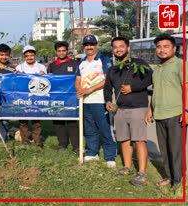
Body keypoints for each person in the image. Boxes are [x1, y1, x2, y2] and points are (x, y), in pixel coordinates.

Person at [104, 37, 152, 185]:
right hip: (120, 109)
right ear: (113, 50)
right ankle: (127, 167)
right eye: (115, 47)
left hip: (138, 107)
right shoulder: (113, 69)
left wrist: (133, 87)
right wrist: (108, 101)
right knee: (124, 140)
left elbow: (149, 79)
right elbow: (107, 87)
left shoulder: (139, 64)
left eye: (121, 46)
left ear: (128, 48)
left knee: (139, 140)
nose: (118, 49)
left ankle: (142, 173)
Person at [145, 34, 187, 188]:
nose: (162, 50)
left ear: (174, 49)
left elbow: (186, 88)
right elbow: (156, 91)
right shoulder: (157, 69)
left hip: (176, 114)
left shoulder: (180, 65)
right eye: (159, 47)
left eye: (166, 46)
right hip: (160, 114)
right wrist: (150, 110)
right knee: (164, 149)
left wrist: (186, 110)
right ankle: (169, 177)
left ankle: (179, 181)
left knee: (176, 150)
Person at [74, 34, 116, 167]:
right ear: (84, 47)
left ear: (97, 46)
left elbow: (106, 80)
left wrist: (89, 90)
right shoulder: (81, 62)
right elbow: (77, 80)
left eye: (92, 44)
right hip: (85, 102)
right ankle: (92, 153)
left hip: (101, 100)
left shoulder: (104, 59)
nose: (89, 47)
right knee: (89, 129)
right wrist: (79, 90)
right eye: (86, 45)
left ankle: (110, 156)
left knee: (105, 128)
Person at [47, 41, 79, 154]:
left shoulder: (75, 64)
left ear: (67, 51)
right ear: (56, 52)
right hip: (57, 99)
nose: (61, 53)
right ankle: (62, 145)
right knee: (58, 123)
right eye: (59, 51)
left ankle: (76, 147)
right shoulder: (51, 66)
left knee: (72, 123)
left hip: (71, 98)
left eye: (63, 51)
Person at [14, 45, 47, 148]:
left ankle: (38, 143)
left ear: (35, 55)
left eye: (31, 55)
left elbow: (47, 82)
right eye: (27, 55)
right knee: (23, 121)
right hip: (23, 97)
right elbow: (15, 82)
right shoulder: (20, 67)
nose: (29, 57)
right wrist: (17, 74)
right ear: (24, 56)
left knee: (36, 121)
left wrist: (43, 75)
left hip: (37, 97)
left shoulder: (41, 67)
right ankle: (25, 142)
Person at [0, 44, 15, 142]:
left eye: (6, 55)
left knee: (4, 121)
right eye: (1, 55)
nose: (4, 57)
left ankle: (2, 141)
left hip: (6, 100)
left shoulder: (12, 69)